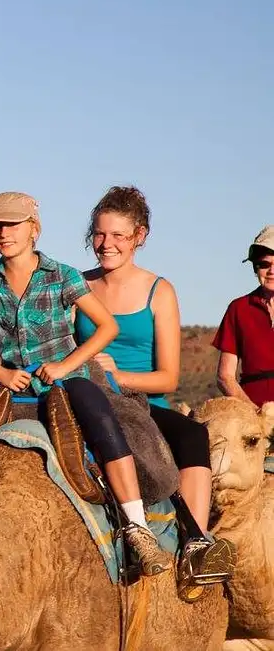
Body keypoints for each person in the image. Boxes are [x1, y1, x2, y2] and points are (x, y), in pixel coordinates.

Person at [0, 191, 170, 575]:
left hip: (67, 378)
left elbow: (107, 327)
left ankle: (137, 528)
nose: (3, 234)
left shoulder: (62, 276)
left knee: (102, 420)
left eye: (12, 225)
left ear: (33, 229)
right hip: (13, 379)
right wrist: (0, 373)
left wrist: (65, 364)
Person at [74, 185, 235, 595]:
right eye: (99, 234)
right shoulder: (75, 286)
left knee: (192, 435)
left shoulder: (158, 291)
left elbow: (168, 378)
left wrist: (117, 375)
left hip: (143, 403)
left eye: (118, 236)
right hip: (88, 398)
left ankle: (196, 544)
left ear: (139, 237)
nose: (105, 244)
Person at [212, 225, 274, 407]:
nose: (271, 271)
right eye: (264, 264)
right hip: (251, 414)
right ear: (255, 268)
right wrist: (255, 416)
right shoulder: (239, 309)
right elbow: (225, 376)